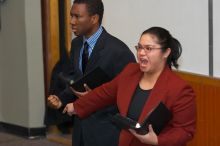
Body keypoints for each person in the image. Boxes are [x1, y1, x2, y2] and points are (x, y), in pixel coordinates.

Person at [64, 27, 196, 146]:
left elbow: (185, 131)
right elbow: (105, 93)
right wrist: (77, 106)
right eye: (139, 47)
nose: (141, 53)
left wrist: (157, 141)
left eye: (148, 48)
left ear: (166, 52)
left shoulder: (180, 89)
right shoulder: (130, 71)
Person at [47, 0, 136, 146]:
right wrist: (61, 99)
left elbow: (130, 95)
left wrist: (94, 99)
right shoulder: (76, 44)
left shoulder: (118, 51)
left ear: (94, 19)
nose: (71, 21)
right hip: (80, 129)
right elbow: (78, 79)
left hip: (106, 131)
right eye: (71, 16)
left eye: (77, 16)